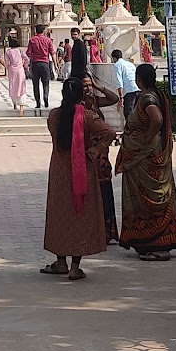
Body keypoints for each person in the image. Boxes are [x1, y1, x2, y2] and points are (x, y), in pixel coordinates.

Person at [41, 77, 116, 279]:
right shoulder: (88, 117)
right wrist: (96, 149)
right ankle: (75, 267)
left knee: (60, 215)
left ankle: (60, 262)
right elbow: (110, 132)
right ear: (81, 95)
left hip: (59, 171)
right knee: (79, 215)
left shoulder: (54, 116)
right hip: (82, 170)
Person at [115, 63, 176, 260]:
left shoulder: (147, 98)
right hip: (145, 156)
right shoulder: (155, 95)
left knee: (148, 198)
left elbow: (157, 119)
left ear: (138, 79)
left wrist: (146, 138)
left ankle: (156, 243)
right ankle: (148, 241)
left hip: (145, 157)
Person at [82, 73, 122, 242]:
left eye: (89, 85)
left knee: (105, 192)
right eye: (84, 86)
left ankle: (107, 232)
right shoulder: (78, 106)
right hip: (87, 156)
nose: (88, 88)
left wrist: (99, 87)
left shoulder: (95, 101)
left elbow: (114, 99)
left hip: (101, 157)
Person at [26, 24, 54, 111]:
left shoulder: (32, 40)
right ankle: (45, 97)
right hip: (45, 63)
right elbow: (52, 53)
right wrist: (56, 65)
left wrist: (27, 65)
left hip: (35, 64)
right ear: (43, 31)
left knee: (35, 84)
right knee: (46, 83)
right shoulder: (48, 40)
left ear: (36, 31)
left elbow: (29, 53)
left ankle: (38, 102)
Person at [111, 47, 139, 119]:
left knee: (128, 114)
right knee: (138, 113)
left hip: (129, 91)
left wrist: (121, 97)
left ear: (114, 58)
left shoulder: (117, 65)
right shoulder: (130, 64)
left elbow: (119, 81)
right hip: (138, 89)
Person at [4, 38, 30, 114]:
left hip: (12, 70)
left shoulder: (8, 52)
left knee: (13, 86)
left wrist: (8, 67)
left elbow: (6, 62)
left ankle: (14, 105)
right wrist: (25, 66)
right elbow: (27, 59)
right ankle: (21, 108)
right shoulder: (20, 50)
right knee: (21, 87)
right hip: (20, 70)